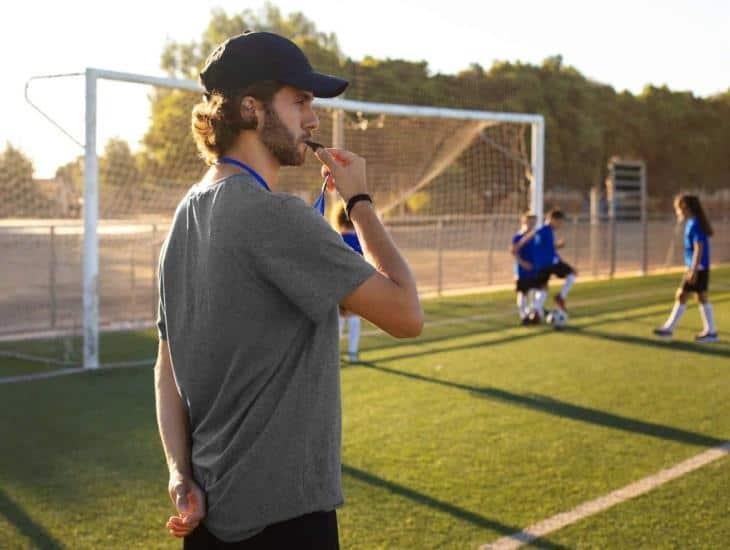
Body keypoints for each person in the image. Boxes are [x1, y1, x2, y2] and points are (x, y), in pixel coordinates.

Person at [153, 31, 423, 550]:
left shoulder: (184, 215)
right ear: (251, 109)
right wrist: (360, 199)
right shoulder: (273, 215)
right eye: (299, 101)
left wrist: (178, 473)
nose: (314, 119)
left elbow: (167, 366)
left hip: (209, 520)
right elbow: (406, 314)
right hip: (285, 525)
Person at [654, 194, 717, 342]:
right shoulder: (691, 223)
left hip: (698, 267)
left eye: (678, 207)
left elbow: (698, 248)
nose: (677, 211)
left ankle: (669, 329)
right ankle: (710, 332)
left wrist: (693, 270)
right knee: (699, 297)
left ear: (686, 207)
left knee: (683, 295)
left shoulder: (695, 224)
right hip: (696, 267)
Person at [515, 209, 577, 320]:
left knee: (542, 288)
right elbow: (530, 236)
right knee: (572, 273)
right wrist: (518, 245)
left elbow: (547, 248)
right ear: (552, 219)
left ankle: (536, 313)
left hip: (542, 266)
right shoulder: (544, 229)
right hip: (550, 263)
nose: (560, 225)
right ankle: (560, 297)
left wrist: (558, 246)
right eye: (559, 222)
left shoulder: (547, 232)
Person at [335, 206, 364, 362]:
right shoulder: (361, 240)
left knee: (338, 318)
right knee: (354, 317)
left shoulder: (336, 238)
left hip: (338, 285)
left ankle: (334, 352)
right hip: (356, 284)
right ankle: (353, 353)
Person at [510, 211, 538, 325]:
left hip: (533, 269)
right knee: (522, 293)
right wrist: (522, 263)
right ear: (523, 222)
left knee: (534, 292)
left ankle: (532, 313)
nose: (531, 225)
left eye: (533, 223)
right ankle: (523, 316)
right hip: (521, 270)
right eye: (529, 222)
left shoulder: (535, 236)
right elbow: (513, 251)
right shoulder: (518, 236)